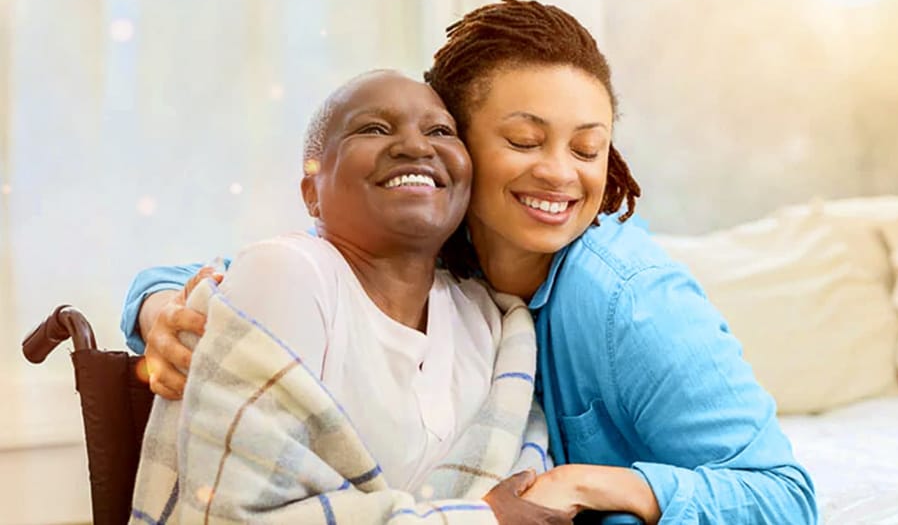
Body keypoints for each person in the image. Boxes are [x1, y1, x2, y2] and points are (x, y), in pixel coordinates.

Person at [123, 0, 817, 524]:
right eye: (523, 139)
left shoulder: (629, 299)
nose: (559, 174)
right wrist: (158, 308)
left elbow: (785, 495)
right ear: (458, 143)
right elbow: (236, 274)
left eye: (586, 149)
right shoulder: (432, 248)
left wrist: (601, 482)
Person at [130, 69, 572, 525]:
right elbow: (236, 516)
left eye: (440, 131)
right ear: (311, 193)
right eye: (373, 129)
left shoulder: (490, 318)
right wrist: (480, 519)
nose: (417, 147)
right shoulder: (288, 273)